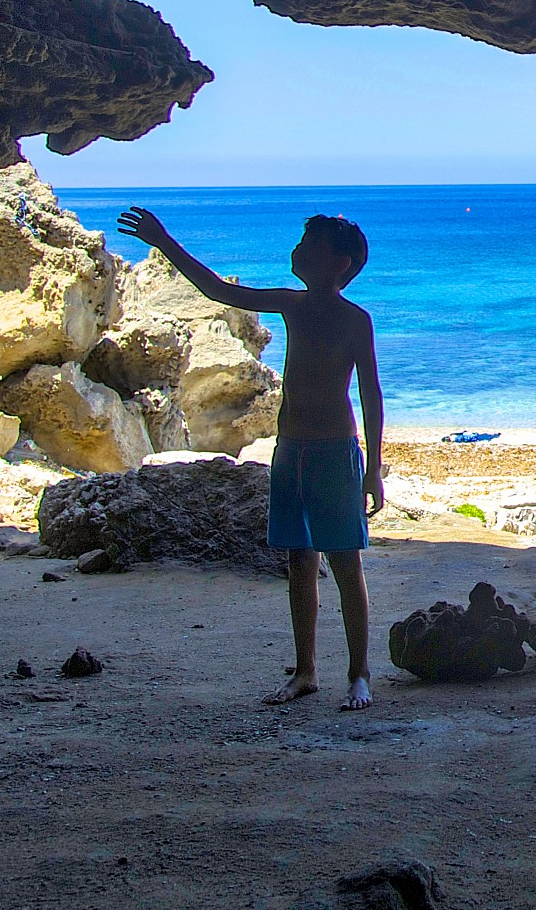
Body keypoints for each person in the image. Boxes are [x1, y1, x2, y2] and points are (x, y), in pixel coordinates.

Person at [118, 206, 383, 711]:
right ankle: (305, 670)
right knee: (298, 559)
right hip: (291, 450)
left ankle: (359, 673)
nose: (298, 251)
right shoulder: (293, 305)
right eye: (299, 244)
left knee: (345, 562)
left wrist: (372, 469)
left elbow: (371, 394)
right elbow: (219, 292)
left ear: (340, 263)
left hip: (333, 450)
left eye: (310, 246)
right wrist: (162, 240)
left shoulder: (355, 320)